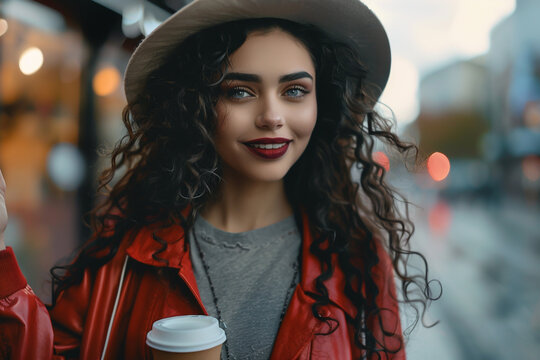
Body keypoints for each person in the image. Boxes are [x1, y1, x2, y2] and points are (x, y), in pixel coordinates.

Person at [0, 0, 438, 359]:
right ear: (197, 107)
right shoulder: (126, 253)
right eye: (240, 91)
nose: (271, 116)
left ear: (320, 105)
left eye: (295, 91)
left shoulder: (357, 259)